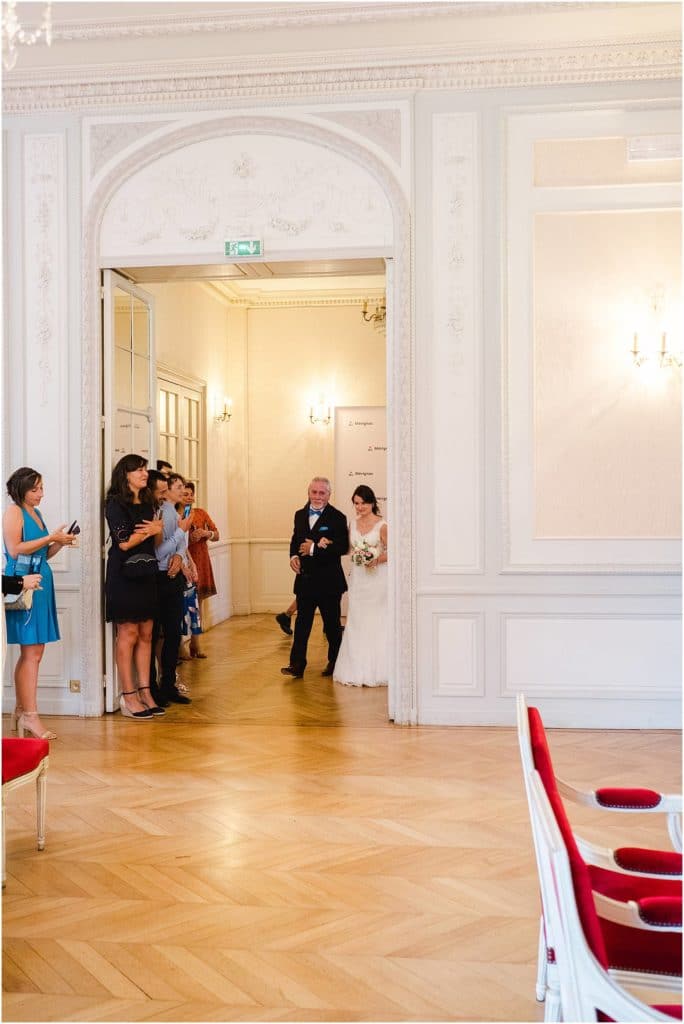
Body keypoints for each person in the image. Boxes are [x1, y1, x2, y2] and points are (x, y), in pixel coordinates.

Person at [3, 466, 76, 739]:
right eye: (35, 489)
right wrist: (50, 538)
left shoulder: (37, 513)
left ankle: (23, 710)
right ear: (21, 489)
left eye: (42, 488)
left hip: (40, 582)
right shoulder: (13, 512)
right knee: (31, 652)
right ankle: (29, 715)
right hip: (23, 584)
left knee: (35, 652)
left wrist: (60, 542)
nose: (40, 494)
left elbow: (42, 552)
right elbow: (14, 549)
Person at [104, 454, 164, 720]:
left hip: (147, 572)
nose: (144, 473)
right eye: (138, 470)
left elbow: (157, 539)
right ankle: (128, 696)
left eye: (144, 469)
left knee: (147, 634)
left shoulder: (149, 502)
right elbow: (124, 543)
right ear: (125, 475)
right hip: (124, 576)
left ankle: (146, 691)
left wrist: (156, 529)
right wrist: (151, 530)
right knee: (127, 634)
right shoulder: (115, 504)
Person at [281, 476, 349, 680]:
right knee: (302, 625)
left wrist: (312, 549)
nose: (317, 496)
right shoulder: (299, 514)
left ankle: (335, 662)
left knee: (332, 627)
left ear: (329, 495)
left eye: (322, 493)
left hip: (329, 583)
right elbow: (295, 540)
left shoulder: (338, 517)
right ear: (308, 492)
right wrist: (293, 555)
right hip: (305, 581)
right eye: (314, 492)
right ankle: (297, 665)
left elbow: (341, 547)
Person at [333, 485, 388, 688]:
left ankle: (379, 668)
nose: (359, 507)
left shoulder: (382, 525)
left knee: (376, 620)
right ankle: (355, 668)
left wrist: (376, 559)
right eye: (356, 503)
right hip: (359, 579)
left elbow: (393, 552)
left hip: (377, 580)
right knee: (357, 619)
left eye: (363, 503)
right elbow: (348, 549)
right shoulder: (352, 524)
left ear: (372, 503)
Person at [148, 470, 192, 705]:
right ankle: (158, 687)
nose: (182, 490)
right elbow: (159, 551)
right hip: (161, 577)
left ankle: (167, 685)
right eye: (177, 487)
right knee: (161, 634)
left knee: (173, 634)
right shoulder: (166, 513)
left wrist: (180, 558)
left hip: (172, 576)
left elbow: (177, 548)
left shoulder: (174, 513)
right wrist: (180, 532)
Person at [184, 481, 219, 657]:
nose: (189, 497)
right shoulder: (178, 515)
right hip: (185, 562)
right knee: (183, 606)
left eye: (191, 494)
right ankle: (180, 645)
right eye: (186, 494)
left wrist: (206, 534)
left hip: (202, 560)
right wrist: (190, 538)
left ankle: (196, 643)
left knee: (199, 604)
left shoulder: (201, 513)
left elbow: (216, 534)